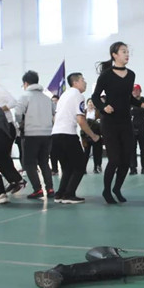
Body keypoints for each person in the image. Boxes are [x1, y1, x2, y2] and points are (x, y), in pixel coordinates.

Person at [91, 42, 144, 204]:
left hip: (126, 122)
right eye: (123, 51)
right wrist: (104, 107)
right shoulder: (106, 75)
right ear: (114, 55)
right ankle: (106, 190)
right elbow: (95, 96)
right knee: (114, 159)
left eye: (127, 52)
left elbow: (129, 97)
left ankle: (117, 188)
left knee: (126, 159)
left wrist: (142, 104)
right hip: (109, 122)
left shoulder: (131, 74)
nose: (127, 54)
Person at [52, 73, 101, 204]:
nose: (85, 82)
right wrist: (93, 135)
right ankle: (69, 194)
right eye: (82, 80)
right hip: (68, 135)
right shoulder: (78, 95)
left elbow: (55, 117)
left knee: (67, 167)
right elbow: (81, 120)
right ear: (75, 82)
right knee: (79, 166)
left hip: (55, 134)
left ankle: (60, 194)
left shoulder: (63, 96)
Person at [14, 70, 55, 200]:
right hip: (47, 134)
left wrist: (21, 123)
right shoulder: (47, 98)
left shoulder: (24, 96)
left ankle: (37, 189)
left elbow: (17, 113)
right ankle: (50, 189)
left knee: (29, 163)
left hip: (31, 134)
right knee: (44, 162)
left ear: (26, 83)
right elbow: (54, 112)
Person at [129, 84, 144, 175]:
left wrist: (134, 108)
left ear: (140, 91)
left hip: (142, 127)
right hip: (131, 128)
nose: (135, 92)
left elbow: (143, 109)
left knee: (143, 148)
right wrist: (140, 107)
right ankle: (133, 167)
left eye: (137, 90)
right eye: (133, 90)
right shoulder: (129, 100)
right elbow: (130, 111)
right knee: (132, 148)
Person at [82, 98, 103, 174]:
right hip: (86, 135)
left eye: (92, 102)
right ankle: (83, 168)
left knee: (97, 152)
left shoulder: (98, 112)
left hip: (96, 134)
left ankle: (96, 167)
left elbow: (100, 122)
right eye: (89, 102)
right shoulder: (84, 112)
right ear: (87, 103)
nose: (91, 104)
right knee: (86, 153)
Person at [49, 94, 61, 175]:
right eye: (52, 101)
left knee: (61, 152)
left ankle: (65, 168)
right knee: (52, 152)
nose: (54, 103)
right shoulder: (49, 112)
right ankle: (54, 169)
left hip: (60, 133)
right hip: (51, 134)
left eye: (55, 101)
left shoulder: (62, 110)